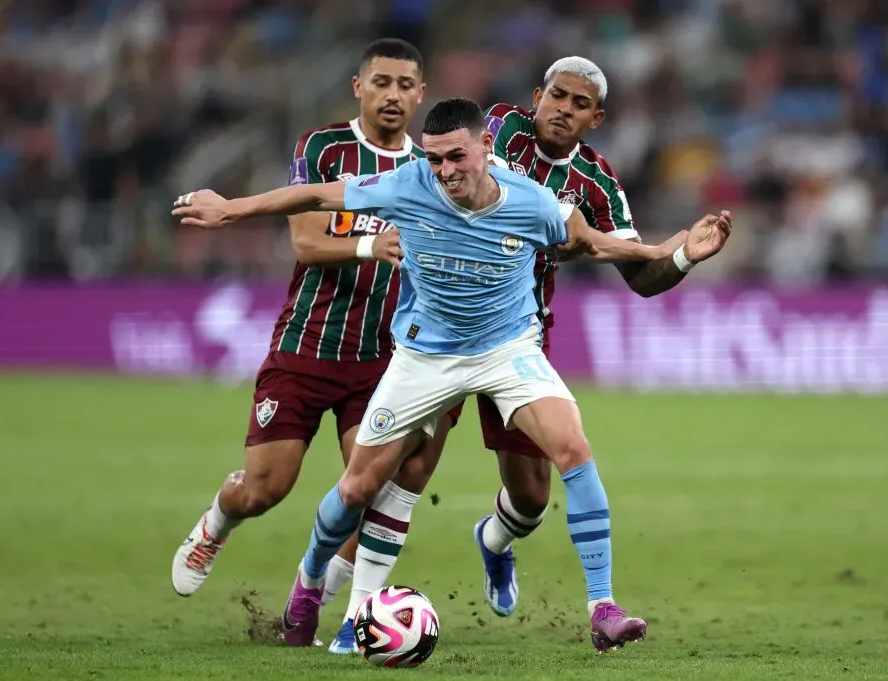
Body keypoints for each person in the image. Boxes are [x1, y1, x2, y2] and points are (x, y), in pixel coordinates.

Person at [171, 97, 732, 652]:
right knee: (361, 486)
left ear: (486, 147)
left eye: (455, 158)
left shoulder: (534, 202)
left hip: (507, 349)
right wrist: (230, 209)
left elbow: (589, 242)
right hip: (425, 358)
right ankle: (310, 584)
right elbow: (316, 193)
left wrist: (671, 249)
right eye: (435, 159)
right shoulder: (407, 184)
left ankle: (603, 609)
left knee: (574, 449)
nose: (444, 172)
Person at [330, 56, 732, 649]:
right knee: (408, 469)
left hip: (514, 339)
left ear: (597, 117)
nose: (563, 110)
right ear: (536, 95)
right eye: (556, 96)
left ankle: (494, 541)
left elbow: (638, 277)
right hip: (437, 331)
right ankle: (349, 612)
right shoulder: (489, 130)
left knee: (531, 498)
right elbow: (420, 180)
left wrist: (681, 257)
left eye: (579, 104)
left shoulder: (597, 184)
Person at [170, 39, 458, 647]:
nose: (393, 95)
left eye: (406, 85)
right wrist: (367, 245)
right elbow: (304, 241)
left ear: (421, 94)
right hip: (308, 343)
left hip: (381, 358)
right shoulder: (324, 148)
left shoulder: (432, 166)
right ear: (359, 87)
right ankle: (218, 521)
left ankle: (326, 586)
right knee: (267, 488)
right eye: (381, 82)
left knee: (371, 484)